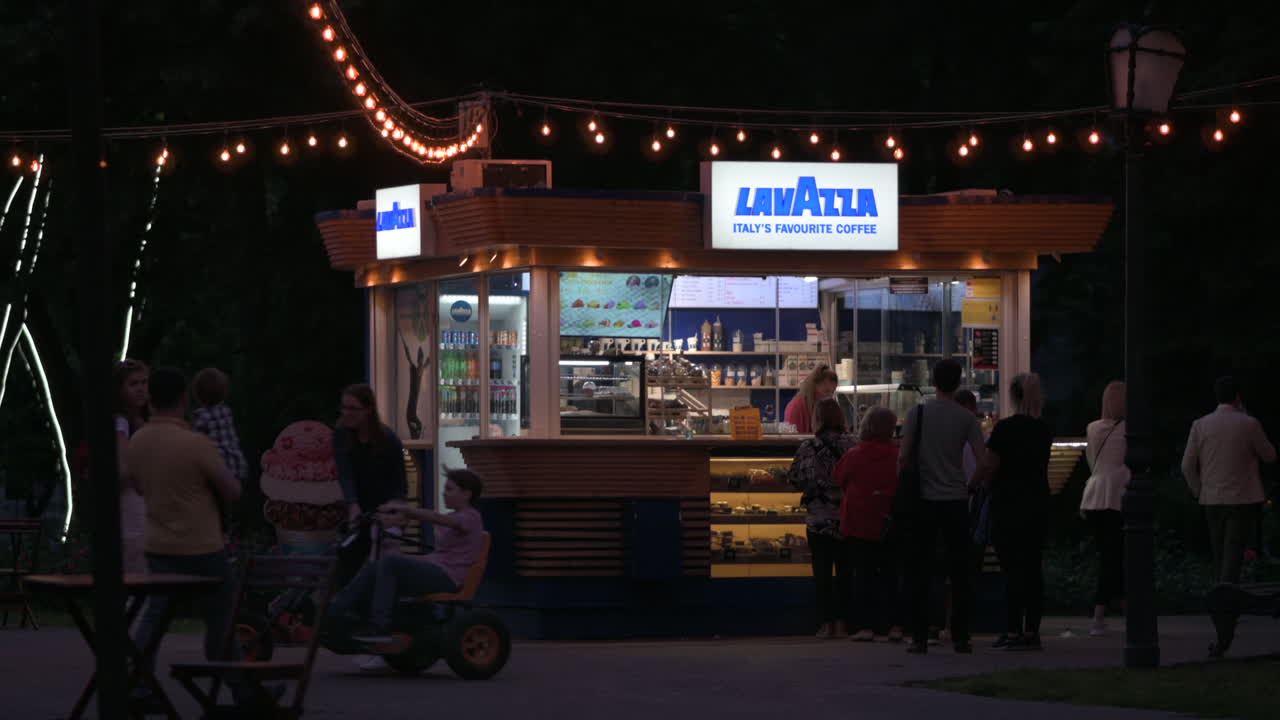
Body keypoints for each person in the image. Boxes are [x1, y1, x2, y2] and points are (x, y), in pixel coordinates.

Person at [127, 367, 245, 696]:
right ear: (183, 399)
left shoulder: (138, 441)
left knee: (155, 615)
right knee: (221, 616)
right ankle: (240, 689)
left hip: (159, 543)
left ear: (150, 398)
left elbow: (136, 486)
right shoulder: (195, 444)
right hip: (202, 544)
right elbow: (232, 489)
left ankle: (138, 682)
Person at [329, 469, 486, 644]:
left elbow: (436, 518)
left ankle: (380, 627)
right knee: (377, 565)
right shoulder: (451, 517)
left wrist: (405, 509)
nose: (444, 493)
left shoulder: (471, 517)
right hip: (438, 570)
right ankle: (336, 613)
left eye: (449, 489)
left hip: (450, 577)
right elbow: (439, 555)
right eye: (445, 488)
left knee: (390, 561)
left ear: (467, 494)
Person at [898, 358, 986, 654]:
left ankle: (920, 636)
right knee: (960, 572)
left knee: (920, 570)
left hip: (923, 500)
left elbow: (903, 456)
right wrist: (970, 486)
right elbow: (983, 460)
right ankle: (960, 635)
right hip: (956, 501)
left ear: (933, 382)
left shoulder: (917, 413)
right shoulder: (966, 418)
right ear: (958, 382)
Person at [977, 373, 1052, 651]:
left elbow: (990, 466)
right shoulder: (1044, 429)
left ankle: (1012, 628)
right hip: (1037, 502)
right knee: (1032, 568)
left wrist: (978, 484)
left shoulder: (1005, 429)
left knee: (1011, 569)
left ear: (1013, 396)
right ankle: (1032, 630)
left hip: (1008, 502)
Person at [1181, 376, 1276, 585]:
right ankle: (1227, 603)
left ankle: (1222, 601)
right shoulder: (1248, 424)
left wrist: (1199, 490)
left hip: (1212, 498)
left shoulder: (1200, 425)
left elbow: (1187, 465)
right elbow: (1269, 455)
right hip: (1242, 498)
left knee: (1219, 554)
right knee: (1233, 553)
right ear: (1238, 397)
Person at [787, 398, 857, 638]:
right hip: (848, 518)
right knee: (846, 574)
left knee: (823, 575)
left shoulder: (808, 447)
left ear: (817, 419)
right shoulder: (853, 445)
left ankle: (826, 625)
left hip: (818, 521)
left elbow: (795, 480)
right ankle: (846, 623)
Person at [836, 406, 903, 642]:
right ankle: (894, 625)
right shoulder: (898, 455)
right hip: (889, 521)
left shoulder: (854, 454)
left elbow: (839, 479)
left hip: (859, 521)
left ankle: (864, 626)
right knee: (891, 574)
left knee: (862, 575)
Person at [334, 383, 408, 585]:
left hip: (384, 508)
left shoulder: (387, 439)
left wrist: (394, 511)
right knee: (347, 559)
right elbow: (344, 472)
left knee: (381, 566)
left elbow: (399, 482)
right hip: (358, 507)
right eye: (344, 407)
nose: (346, 413)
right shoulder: (341, 434)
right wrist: (352, 504)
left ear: (368, 410)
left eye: (353, 408)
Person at [1080, 380, 1129, 636]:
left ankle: (1121, 606)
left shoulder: (1092, 428)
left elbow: (1092, 461)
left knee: (1108, 554)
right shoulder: (1128, 430)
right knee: (1113, 557)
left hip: (1093, 495)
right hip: (1116, 496)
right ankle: (1099, 614)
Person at [190, 367, 249, 539]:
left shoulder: (201, 417)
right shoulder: (226, 411)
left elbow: (193, 437)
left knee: (217, 506)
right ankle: (228, 534)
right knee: (227, 507)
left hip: (218, 467)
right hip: (236, 465)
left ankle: (221, 533)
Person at [114, 358, 150, 574]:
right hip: (132, 501)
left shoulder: (144, 420)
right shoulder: (120, 422)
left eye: (144, 383)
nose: (141, 389)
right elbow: (124, 468)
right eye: (133, 384)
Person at [785, 365, 839, 434]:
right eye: (826, 391)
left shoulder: (828, 408)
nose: (829, 396)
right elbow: (792, 440)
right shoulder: (796, 407)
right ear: (813, 388)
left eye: (832, 392)